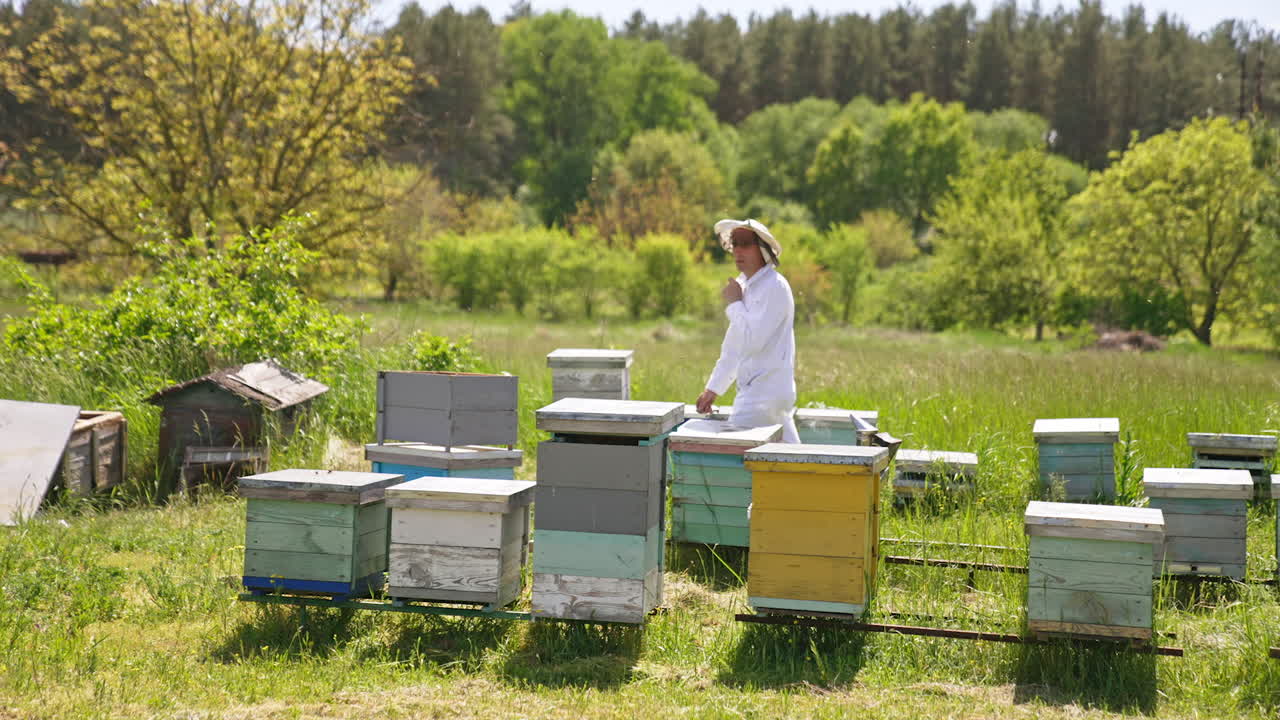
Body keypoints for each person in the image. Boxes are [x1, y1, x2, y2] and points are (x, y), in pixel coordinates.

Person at [695, 218, 800, 443]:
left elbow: (753, 341)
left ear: (762, 248)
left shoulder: (774, 286)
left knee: (736, 456)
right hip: (764, 393)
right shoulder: (748, 286)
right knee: (793, 461)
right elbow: (735, 347)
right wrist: (713, 388)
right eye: (735, 243)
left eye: (745, 243)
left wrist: (734, 304)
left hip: (763, 394)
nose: (738, 251)